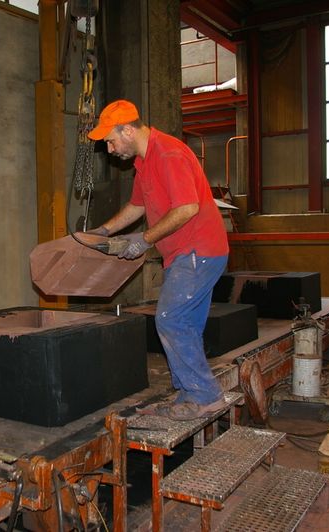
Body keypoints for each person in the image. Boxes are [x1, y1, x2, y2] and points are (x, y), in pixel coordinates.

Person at [86, 99, 229, 421]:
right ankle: (189, 393)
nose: (109, 149)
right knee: (186, 324)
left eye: (110, 140)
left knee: (171, 320)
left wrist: (144, 240)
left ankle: (206, 396)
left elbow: (187, 208)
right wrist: (105, 230)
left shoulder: (168, 154)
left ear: (127, 129)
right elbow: (137, 206)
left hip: (197, 252)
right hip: (187, 253)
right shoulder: (145, 161)